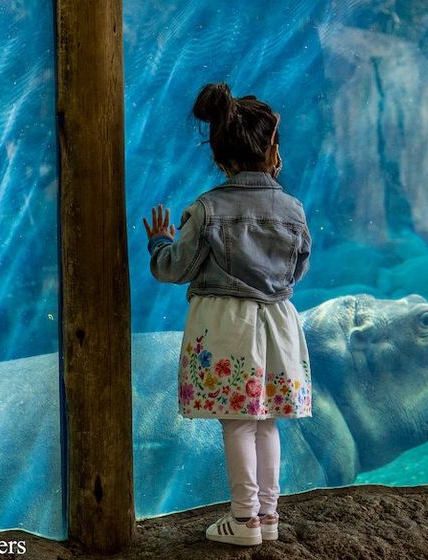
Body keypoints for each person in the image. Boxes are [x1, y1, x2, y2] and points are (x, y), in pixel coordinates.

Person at [142, 82, 312, 547]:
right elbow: (298, 269)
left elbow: (175, 269)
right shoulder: (294, 210)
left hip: (226, 327)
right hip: (277, 324)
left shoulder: (207, 209)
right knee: (266, 420)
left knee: (237, 421)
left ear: (220, 158)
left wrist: (159, 243)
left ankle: (243, 520)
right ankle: (268, 516)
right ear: (273, 151)